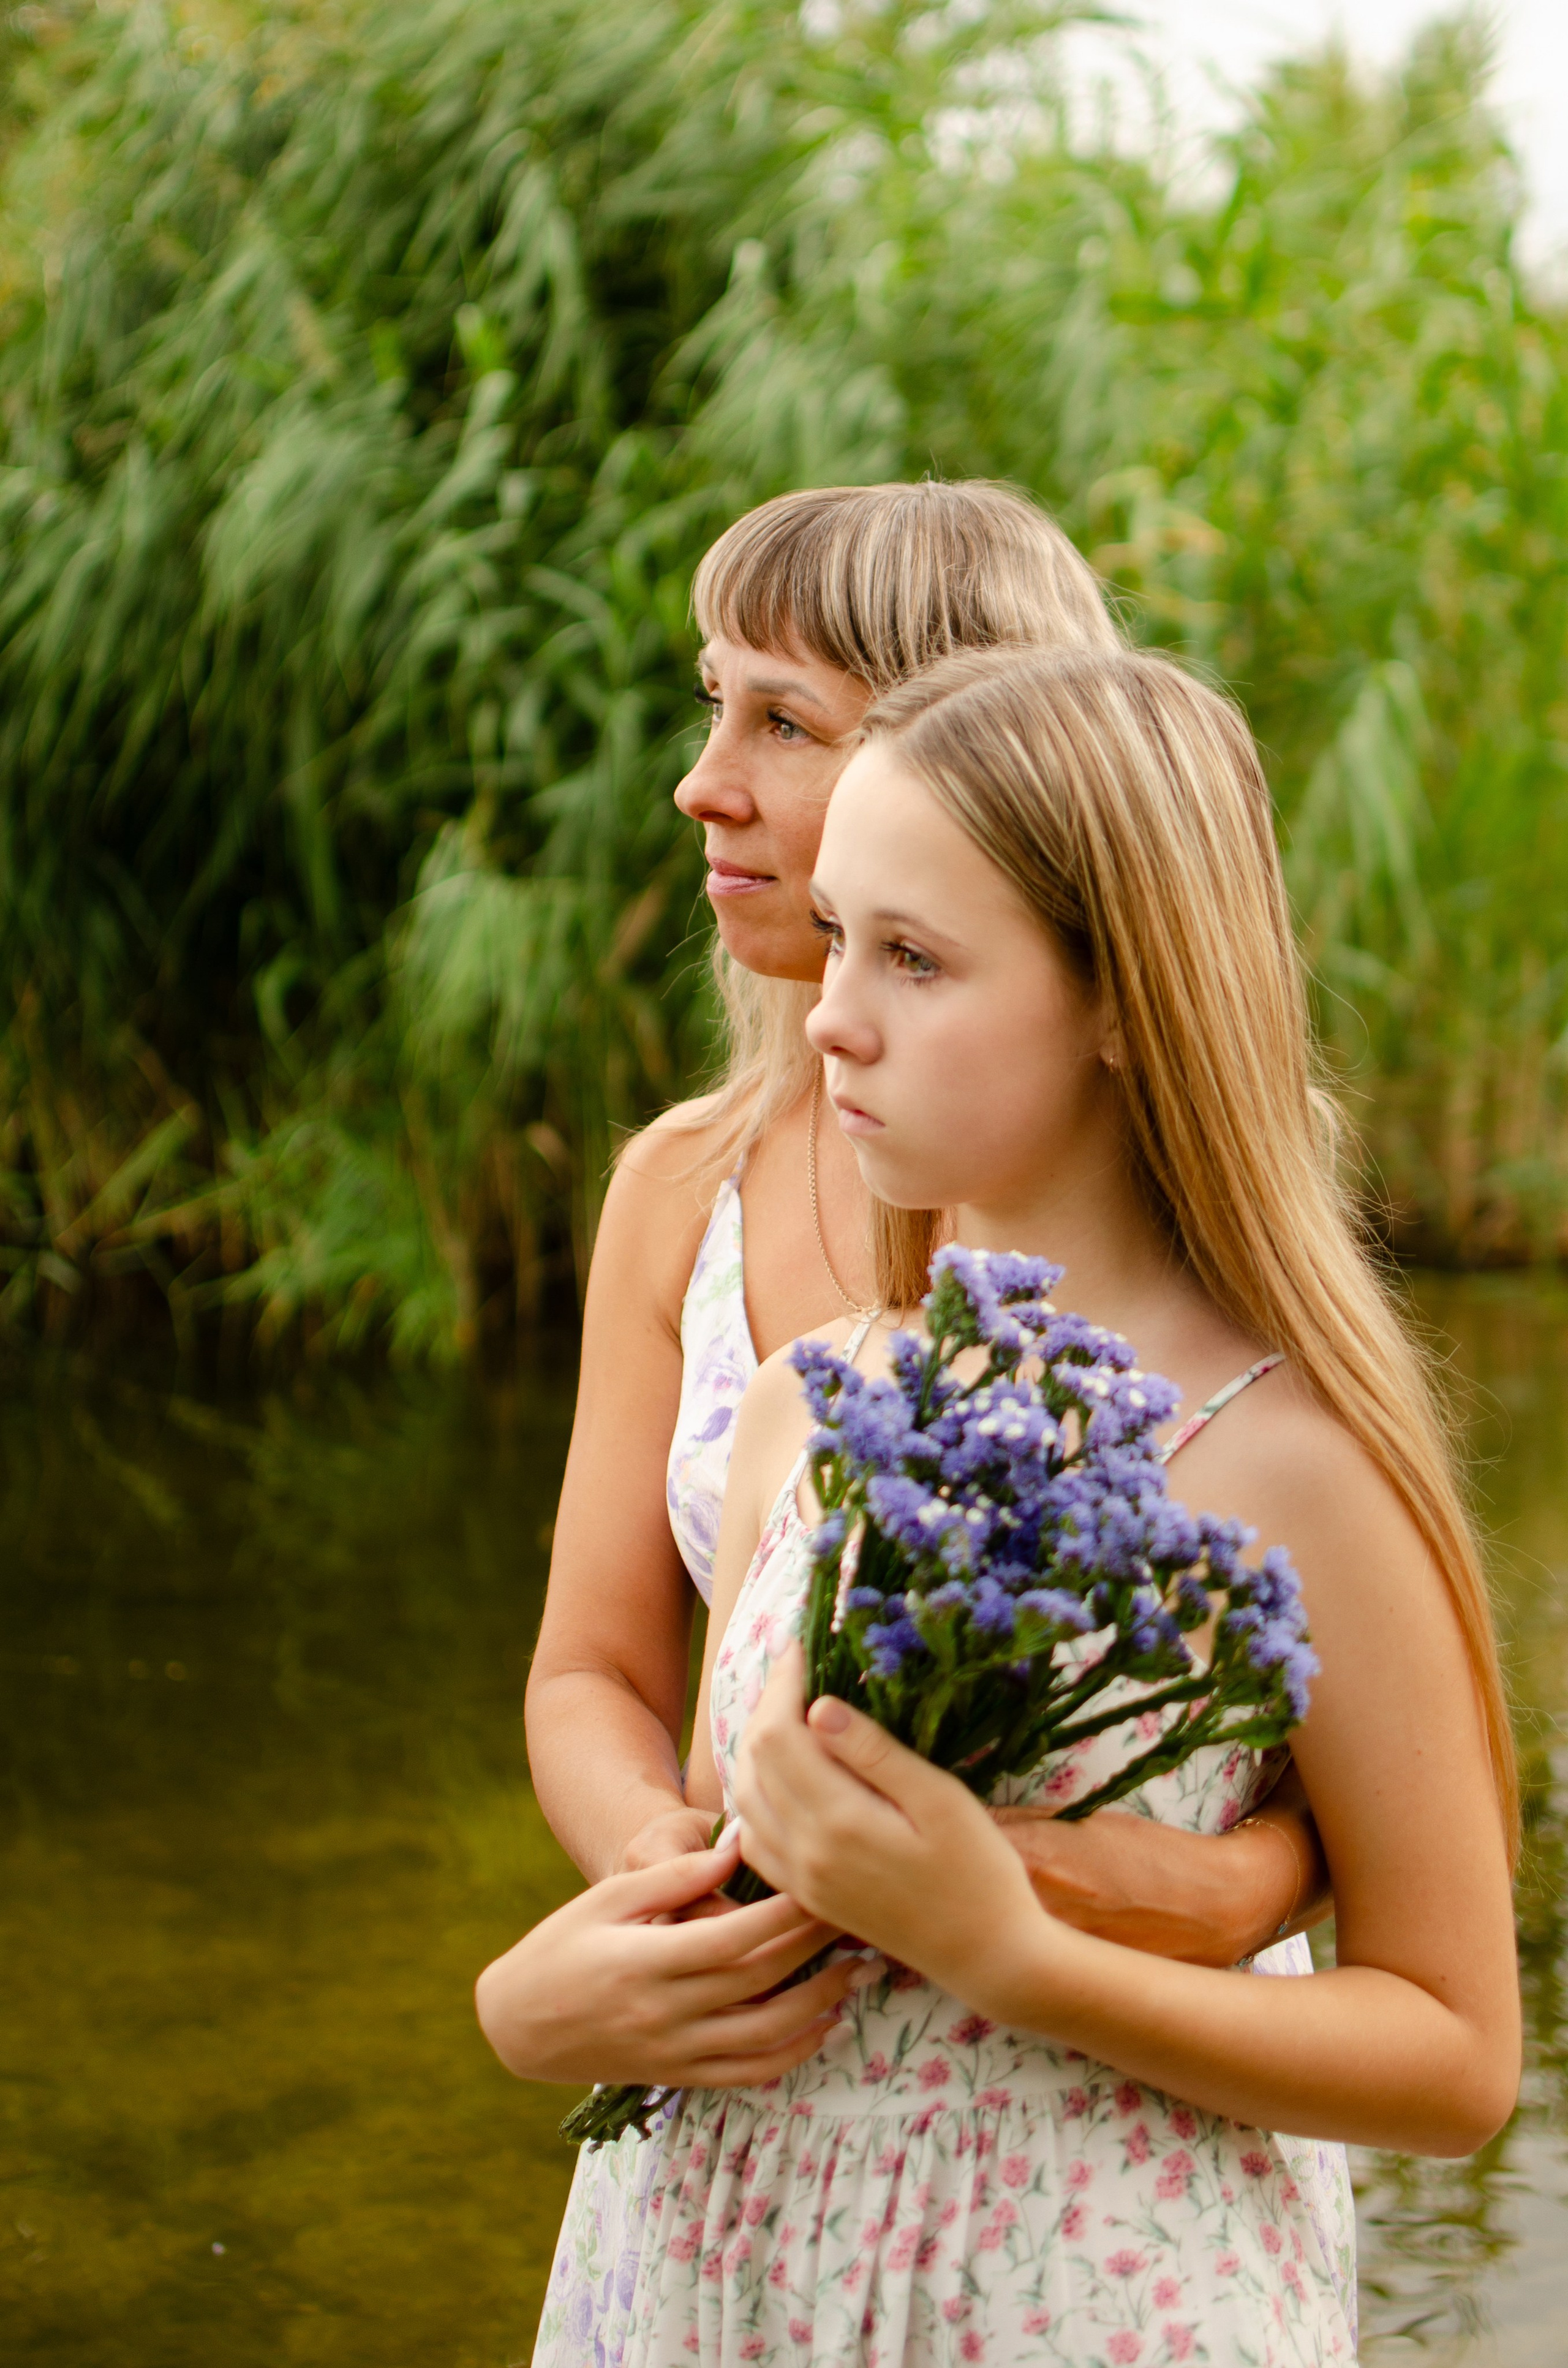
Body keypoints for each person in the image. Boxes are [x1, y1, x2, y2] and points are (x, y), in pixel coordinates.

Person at [486, 644, 1520, 2365]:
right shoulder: (819, 1406)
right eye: (836, 939)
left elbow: (1456, 2050)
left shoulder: (1297, 1463)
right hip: (721, 2292)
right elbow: (738, 1877)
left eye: (913, 957)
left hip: (1067, 2306)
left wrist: (1020, 1956)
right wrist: (544, 2007)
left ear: (1126, 996)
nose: (830, 1014)